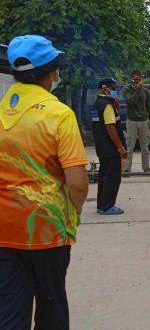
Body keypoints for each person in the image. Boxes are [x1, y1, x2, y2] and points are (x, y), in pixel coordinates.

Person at [0, 35, 89, 329]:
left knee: (10, 312)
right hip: (48, 229)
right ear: (51, 72)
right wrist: (72, 213)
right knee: (51, 309)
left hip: (3, 230)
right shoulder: (59, 115)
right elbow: (77, 183)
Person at [91, 77, 127, 215]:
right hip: (111, 147)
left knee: (104, 176)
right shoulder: (106, 105)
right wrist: (120, 147)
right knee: (112, 177)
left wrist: (116, 107)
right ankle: (107, 206)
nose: (115, 91)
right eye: (113, 89)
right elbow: (110, 126)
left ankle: (102, 205)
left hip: (101, 146)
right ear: (104, 88)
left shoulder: (97, 104)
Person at [123, 70, 150, 172]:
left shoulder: (145, 91)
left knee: (145, 147)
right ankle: (127, 168)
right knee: (130, 147)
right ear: (131, 78)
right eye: (135, 79)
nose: (137, 81)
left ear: (141, 79)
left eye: (139, 79)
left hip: (144, 121)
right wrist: (138, 89)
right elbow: (131, 101)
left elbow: (149, 107)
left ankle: (146, 168)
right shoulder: (126, 89)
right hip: (131, 120)